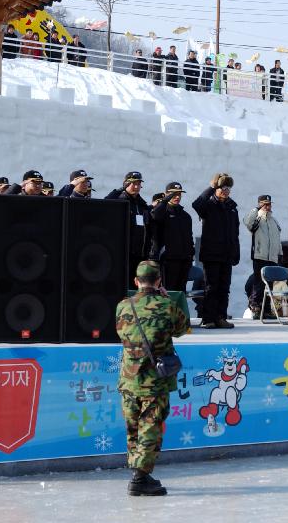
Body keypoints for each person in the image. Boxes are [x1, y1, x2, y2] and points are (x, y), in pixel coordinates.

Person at [116, 260, 187, 497]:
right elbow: (182, 328)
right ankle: (140, 477)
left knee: (133, 427)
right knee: (150, 427)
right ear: (158, 282)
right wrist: (166, 298)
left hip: (128, 379)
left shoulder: (123, 306)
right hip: (155, 381)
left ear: (136, 282)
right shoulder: (167, 306)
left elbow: (120, 331)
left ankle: (137, 470)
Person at [192, 172, 239, 329]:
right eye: (222, 188)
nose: (225, 191)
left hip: (226, 254)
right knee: (211, 287)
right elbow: (196, 204)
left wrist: (235, 252)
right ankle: (208, 318)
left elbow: (235, 233)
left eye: (228, 188)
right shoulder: (208, 205)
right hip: (212, 254)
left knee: (224, 288)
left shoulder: (232, 208)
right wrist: (211, 186)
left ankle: (221, 317)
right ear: (216, 189)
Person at [150, 182, 194, 293]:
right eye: (174, 194)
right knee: (168, 293)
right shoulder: (162, 212)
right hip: (168, 262)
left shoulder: (185, 216)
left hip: (184, 262)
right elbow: (154, 215)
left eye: (179, 194)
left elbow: (189, 238)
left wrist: (190, 255)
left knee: (180, 294)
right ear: (167, 195)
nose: (177, 196)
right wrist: (164, 201)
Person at [106, 171, 151, 281]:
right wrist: (120, 189)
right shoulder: (120, 200)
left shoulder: (142, 204)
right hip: (124, 253)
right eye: (133, 184)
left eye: (138, 184)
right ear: (126, 184)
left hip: (139, 254)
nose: (136, 187)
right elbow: (106, 201)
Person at [243, 194, 283, 318]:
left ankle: (266, 310)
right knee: (258, 283)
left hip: (272, 257)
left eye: (269, 204)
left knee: (270, 285)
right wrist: (257, 209)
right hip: (260, 255)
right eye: (264, 204)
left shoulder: (274, 220)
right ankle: (255, 306)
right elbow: (247, 222)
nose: (267, 206)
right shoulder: (257, 218)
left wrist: (280, 253)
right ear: (260, 204)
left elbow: (277, 239)